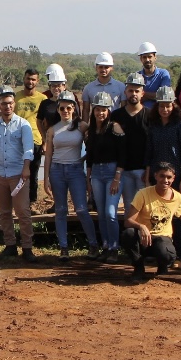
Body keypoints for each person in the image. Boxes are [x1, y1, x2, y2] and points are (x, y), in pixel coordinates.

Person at [0, 85, 38, 262]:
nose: (7, 107)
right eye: (4, 103)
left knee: (23, 211)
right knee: (5, 212)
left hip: (18, 174)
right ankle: (10, 245)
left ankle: (27, 247)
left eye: (10, 103)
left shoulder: (24, 125)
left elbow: (29, 150)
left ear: (14, 104)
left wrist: (26, 168)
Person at [120, 162, 181, 279]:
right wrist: (141, 227)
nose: (165, 180)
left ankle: (162, 267)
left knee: (167, 254)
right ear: (155, 176)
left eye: (169, 177)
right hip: (144, 239)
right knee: (128, 234)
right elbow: (128, 221)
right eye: (162, 176)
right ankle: (138, 267)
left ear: (173, 178)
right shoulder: (143, 194)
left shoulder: (177, 197)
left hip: (162, 238)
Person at [43, 91, 98, 259]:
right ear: (58, 109)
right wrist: (45, 178)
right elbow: (49, 155)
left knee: (81, 209)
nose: (65, 111)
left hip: (75, 171)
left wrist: (82, 159)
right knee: (60, 210)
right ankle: (64, 248)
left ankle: (93, 245)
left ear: (74, 108)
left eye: (68, 107)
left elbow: (94, 146)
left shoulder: (81, 126)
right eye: (62, 108)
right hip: (57, 171)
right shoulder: (53, 130)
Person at [110, 72, 149, 261]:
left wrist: (149, 169)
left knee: (145, 211)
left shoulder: (149, 115)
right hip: (124, 170)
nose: (133, 93)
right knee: (129, 211)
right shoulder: (116, 115)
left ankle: (146, 249)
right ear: (125, 91)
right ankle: (132, 251)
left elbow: (152, 144)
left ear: (143, 93)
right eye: (130, 90)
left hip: (143, 170)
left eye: (137, 90)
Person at [85, 91, 124, 259]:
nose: (100, 113)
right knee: (101, 212)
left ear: (109, 110)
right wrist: (88, 178)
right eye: (97, 109)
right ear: (93, 111)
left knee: (110, 212)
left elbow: (123, 155)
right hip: (96, 173)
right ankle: (106, 246)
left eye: (104, 109)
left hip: (112, 172)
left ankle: (115, 247)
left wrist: (117, 178)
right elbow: (90, 156)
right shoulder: (92, 130)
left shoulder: (115, 127)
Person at [144, 87, 181, 186]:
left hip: (175, 175)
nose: (165, 109)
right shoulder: (153, 126)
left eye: (168, 106)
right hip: (156, 174)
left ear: (173, 106)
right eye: (161, 106)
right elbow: (149, 152)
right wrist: (147, 178)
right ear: (157, 107)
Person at [15, 68, 48, 202]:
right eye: (28, 78)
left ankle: (32, 203)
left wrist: (45, 142)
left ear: (37, 81)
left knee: (33, 173)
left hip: (36, 140)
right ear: (24, 79)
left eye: (33, 79)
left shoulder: (43, 99)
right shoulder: (16, 97)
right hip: (17, 141)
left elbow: (46, 123)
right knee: (17, 173)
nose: (30, 81)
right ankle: (17, 202)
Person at [82, 52, 123, 121]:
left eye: (106, 67)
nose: (103, 70)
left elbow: (123, 109)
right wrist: (84, 126)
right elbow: (86, 110)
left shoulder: (121, 86)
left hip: (114, 125)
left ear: (111, 68)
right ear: (96, 68)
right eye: (101, 67)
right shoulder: (88, 88)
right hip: (96, 126)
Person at [36, 66, 69, 143]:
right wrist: (45, 138)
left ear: (64, 86)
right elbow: (39, 121)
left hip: (67, 141)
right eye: (53, 85)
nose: (56, 88)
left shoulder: (70, 103)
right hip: (51, 141)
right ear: (49, 87)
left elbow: (76, 120)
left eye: (59, 85)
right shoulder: (45, 103)